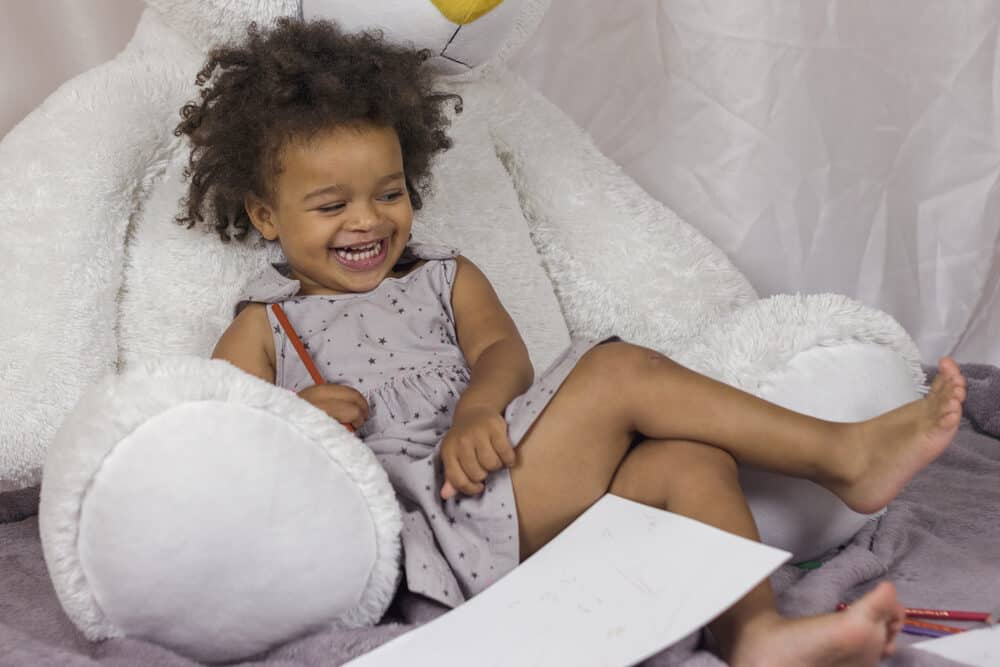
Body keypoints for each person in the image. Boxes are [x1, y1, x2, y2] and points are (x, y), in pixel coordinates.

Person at [179, 18, 967, 667]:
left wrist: (479, 409)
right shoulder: (264, 326)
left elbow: (503, 355)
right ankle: (840, 455)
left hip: (500, 484)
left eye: (390, 192)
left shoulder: (443, 277)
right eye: (330, 204)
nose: (367, 220)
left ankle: (755, 633)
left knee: (690, 462)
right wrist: (297, 416)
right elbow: (227, 447)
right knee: (617, 369)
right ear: (265, 215)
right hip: (426, 530)